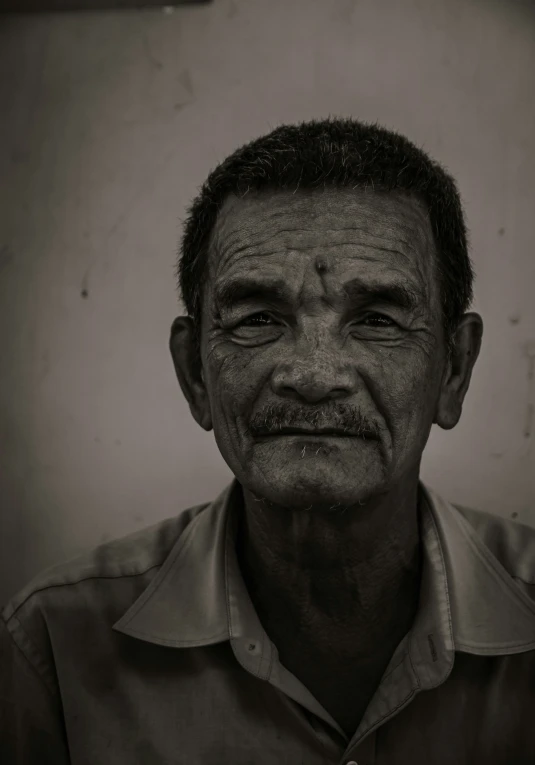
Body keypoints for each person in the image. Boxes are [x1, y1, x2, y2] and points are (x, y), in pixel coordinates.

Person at [2, 118, 535, 765]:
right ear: (196, 371)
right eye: (258, 318)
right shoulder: (54, 645)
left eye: (375, 320)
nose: (312, 376)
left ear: (452, 369)